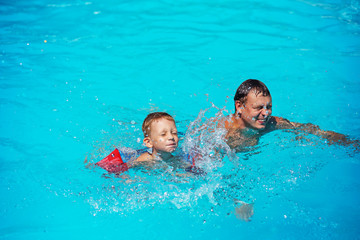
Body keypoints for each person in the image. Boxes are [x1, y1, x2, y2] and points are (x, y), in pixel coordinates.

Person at [219, 79, 359, 152]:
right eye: (258, 108)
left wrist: (343, 140)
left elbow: (307, 128)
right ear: (239, 106)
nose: (266, 113)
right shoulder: (223, 129)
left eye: (269, 107)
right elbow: (203, 152)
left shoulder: (271, 123)